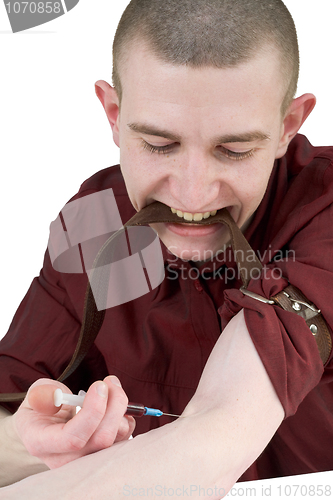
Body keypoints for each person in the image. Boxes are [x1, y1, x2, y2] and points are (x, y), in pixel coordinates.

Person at [1, 0, 333, 497]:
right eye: (159, 144)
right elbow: (16, 402)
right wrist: (33, 440)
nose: (193, 195)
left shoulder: (323, 208)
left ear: (288, 125)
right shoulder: (92, 224)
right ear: (114, 115)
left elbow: (219, 428)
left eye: (234, 150)